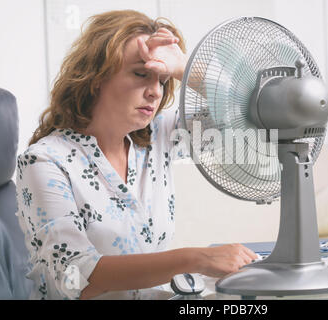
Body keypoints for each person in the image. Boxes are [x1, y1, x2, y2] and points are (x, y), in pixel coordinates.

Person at [16, 10, 257, 300]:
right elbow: (75, 277)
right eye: (141, 74)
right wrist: (197, 259)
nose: (155, 92)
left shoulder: (158, 137)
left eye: (163, 79)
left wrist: (184, 68)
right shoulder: (44, 161)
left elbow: (252, 110)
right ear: (96, 78)